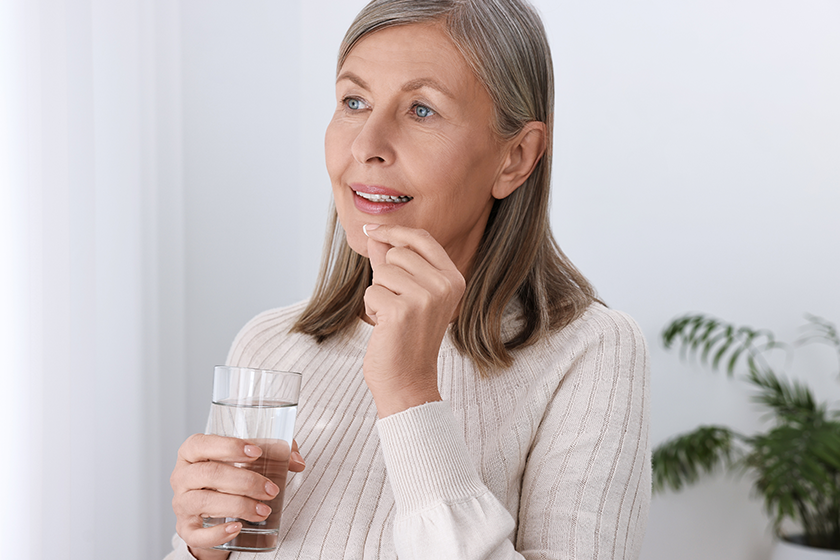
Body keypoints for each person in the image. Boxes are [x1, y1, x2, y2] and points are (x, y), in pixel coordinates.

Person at [167, 0, 651, 558]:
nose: (366, 145)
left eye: (421, 110)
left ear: (515, 157)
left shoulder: (591, 354)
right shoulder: (273, 343)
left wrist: (409, 392)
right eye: (354, 101)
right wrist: (205, 550)